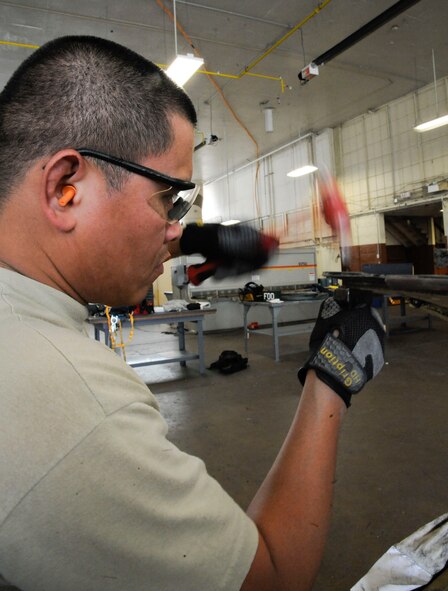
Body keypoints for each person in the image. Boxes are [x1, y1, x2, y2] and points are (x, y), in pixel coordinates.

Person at [0, 36, 385, 591]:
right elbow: (272, 577)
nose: (176, 225)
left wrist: (195, 239)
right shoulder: (68, 402)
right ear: (65, 187)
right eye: (168, 199)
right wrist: (331, 377)